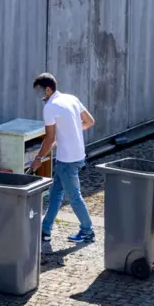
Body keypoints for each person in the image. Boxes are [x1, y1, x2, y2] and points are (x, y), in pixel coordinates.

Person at [30, 73, 97, 247]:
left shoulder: (50, 107)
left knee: (74, 196)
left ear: (48, 89)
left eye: (40, 92)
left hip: (67, 159)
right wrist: (70, 132)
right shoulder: (71, 99)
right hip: (75, 155)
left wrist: (38, 159)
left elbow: (49, 138)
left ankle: (88, 231)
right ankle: (45, 230)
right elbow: (89, 121)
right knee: (56, 194)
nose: (40, 96)